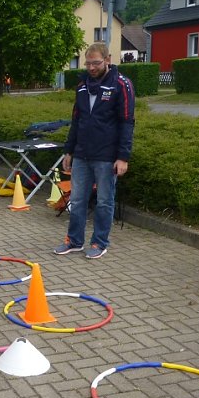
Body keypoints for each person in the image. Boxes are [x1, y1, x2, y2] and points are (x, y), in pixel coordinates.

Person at [54, 42, 135, 259]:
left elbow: (127, 122)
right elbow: (76, 121)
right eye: (88, 63)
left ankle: (99, 243)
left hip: (107, 156)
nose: (91, 67)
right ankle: (75, 241)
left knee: (104, 201)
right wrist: (69, 151)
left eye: (96, 63)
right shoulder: (82, 86)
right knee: (78, 199)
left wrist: (123, 157)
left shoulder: (121, 85)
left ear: (108, 60)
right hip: (81, 154)